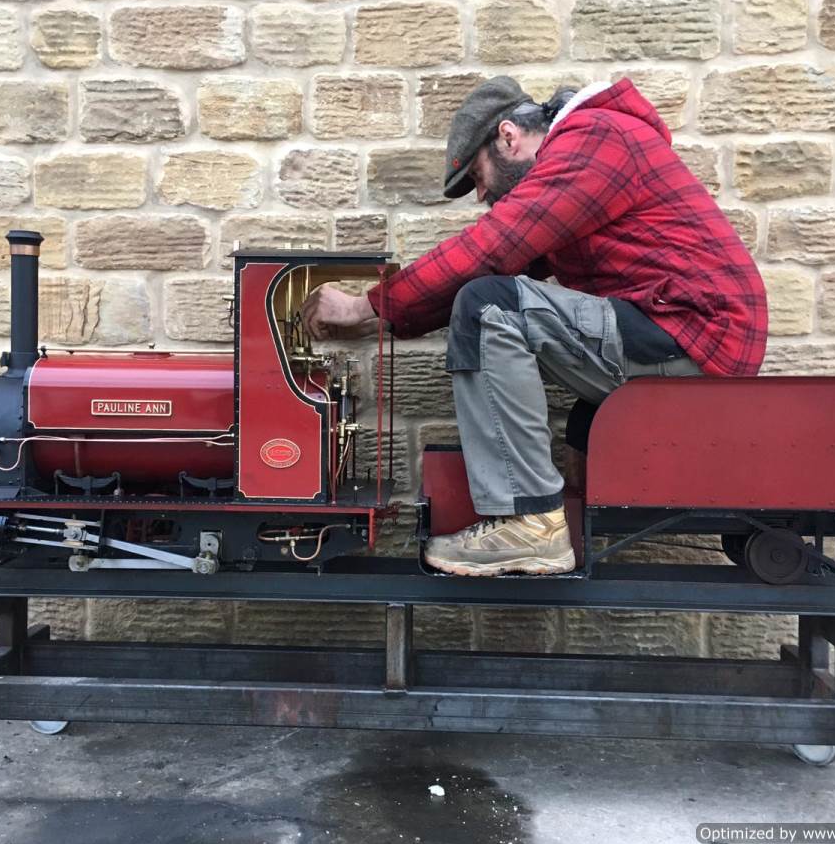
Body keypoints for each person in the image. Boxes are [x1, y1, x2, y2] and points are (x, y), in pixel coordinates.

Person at [301, 76, 767, 577]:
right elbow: (498, 261)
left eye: (478, 176)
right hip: (680, 332)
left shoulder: (594, 139)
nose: (482, 195)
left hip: (693, 332)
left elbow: (489, 249)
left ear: (508, 137)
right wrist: (391, 316)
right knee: (489, 299)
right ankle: (551, 521)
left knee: (489, 305)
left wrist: (361, 307)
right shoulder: (585, 157)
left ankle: (531, 524)